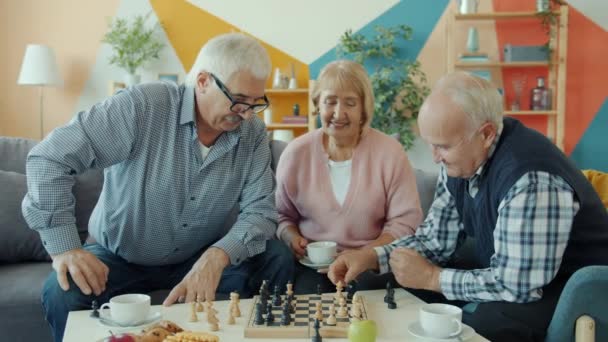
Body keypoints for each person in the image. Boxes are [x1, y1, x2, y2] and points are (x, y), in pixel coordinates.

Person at [22, 33, 294, 341]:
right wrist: (65, 248)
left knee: (276, 258)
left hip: (200, 255)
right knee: (62, 292)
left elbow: (260, 211)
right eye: (238, 101)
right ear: (203, 81)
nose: (246, 113)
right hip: (117, 258)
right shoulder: (141, 107)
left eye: (255, 103)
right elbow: (49, 158)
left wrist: (218, 255)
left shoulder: (252, 133)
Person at [328, 71, 608, 341]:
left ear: (485, 134)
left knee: (479, 330)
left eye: (443, 147)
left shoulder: (531, 179)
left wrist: (431, 278)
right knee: (370, 285)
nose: (435, 158)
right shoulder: (462, 157)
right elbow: (436, 240)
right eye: (431, 146)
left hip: (566, 290)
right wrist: (373, 257)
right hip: (511, 275)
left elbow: (519, 285)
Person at [276, 60, 423, 293]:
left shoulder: (390, 152)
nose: (338, 113)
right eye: (330, 101)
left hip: (371, 267)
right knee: (308, 310)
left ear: (364, 109)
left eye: (350, 103)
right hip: (313, 268)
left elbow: (406, 224)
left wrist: (364, 255)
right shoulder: (295, 154)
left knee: (367, 310)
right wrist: (291, 237)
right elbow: (282, 216)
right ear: (317, 105)